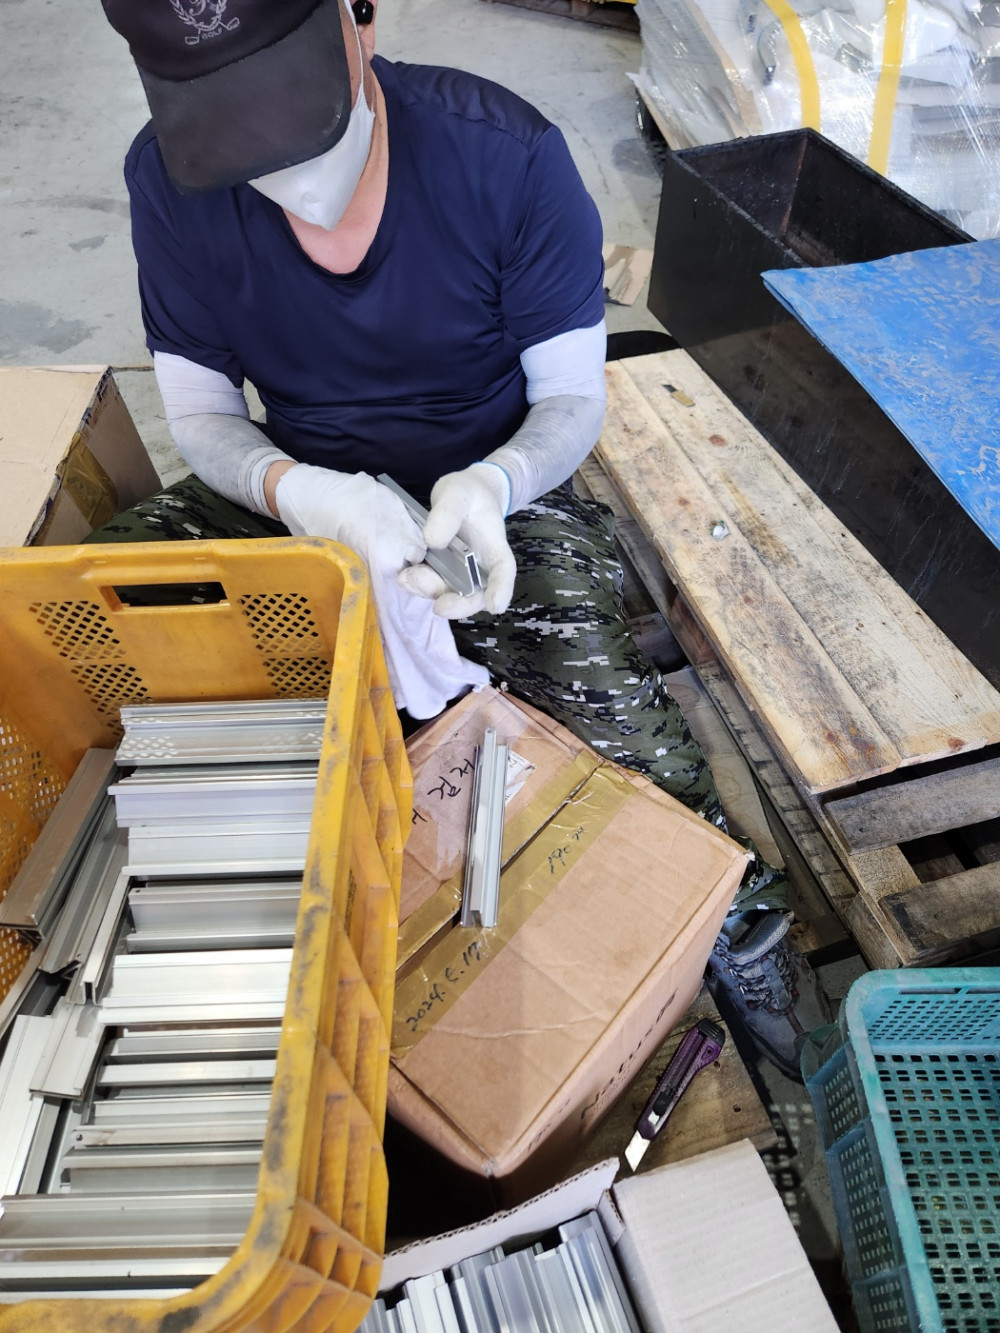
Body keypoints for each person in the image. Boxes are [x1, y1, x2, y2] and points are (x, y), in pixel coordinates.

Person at [98, 0, 828, 1078]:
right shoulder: (167, 179)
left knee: (606, 700)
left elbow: (570, 399)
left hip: (492, 492)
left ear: (358, 20)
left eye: (292, 119)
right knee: (105, 598)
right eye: (235, 138)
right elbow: (202, 416)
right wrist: (298, 491)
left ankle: (741, 921)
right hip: (306, 487)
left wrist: (495, 483)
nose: (280, 173)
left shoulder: (505, 157)